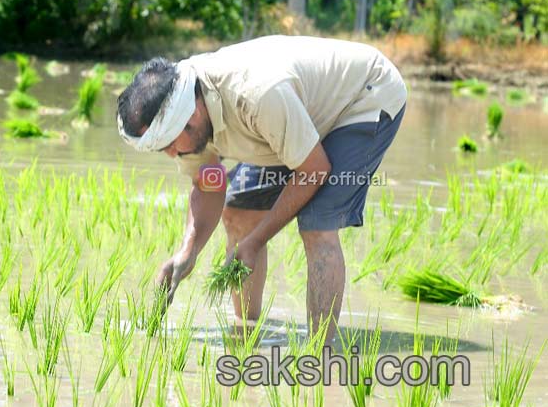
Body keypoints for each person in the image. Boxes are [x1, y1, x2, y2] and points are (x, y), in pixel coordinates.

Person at [116, 35, 407, 343]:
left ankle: (320, 354)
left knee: (316, 223)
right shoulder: (185, 111)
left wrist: (254, 242)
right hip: (289, 121)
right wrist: (189, 250)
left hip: (362, 98)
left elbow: (313, 170)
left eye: (171, 145)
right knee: (239, 212)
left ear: (191, 116)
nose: (172, 154)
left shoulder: (255, 96)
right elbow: (209, 182)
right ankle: (246, 333)